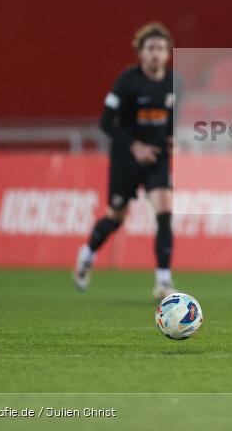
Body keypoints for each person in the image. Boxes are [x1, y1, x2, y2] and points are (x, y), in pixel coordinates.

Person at [73, 23, 180, 301]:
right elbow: (106, 123)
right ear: (140, 53)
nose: (156, 54)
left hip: (156, 159)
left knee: (165, 209)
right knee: (115, 217)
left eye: (160, 48)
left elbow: (169, 120)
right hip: (125, 160)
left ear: (168, 53)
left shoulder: (173, 83)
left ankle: (163, 282)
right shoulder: (128, 81)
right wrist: (134, 146)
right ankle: (87, 255)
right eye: (150, 48)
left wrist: (170, 139)